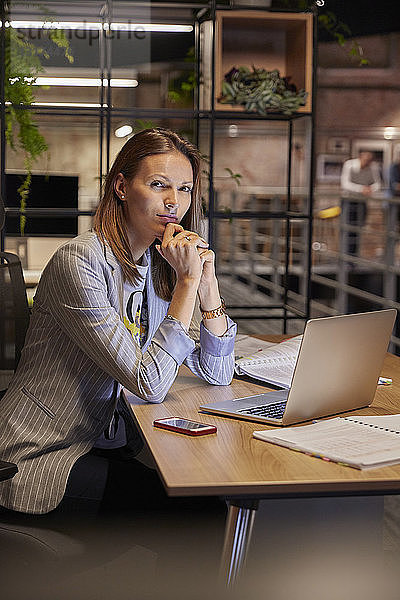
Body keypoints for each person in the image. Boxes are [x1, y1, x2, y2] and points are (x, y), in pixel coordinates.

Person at [0, 128, 237, 515]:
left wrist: (207, 288)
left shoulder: (158, 265)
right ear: (122, 187)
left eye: (185, 189)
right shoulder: (78, 262)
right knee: (200, 510)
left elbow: (218, 372)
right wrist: (187, 285)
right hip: (44, 454)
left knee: (207, 489)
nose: (173, 202)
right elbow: (150, 384)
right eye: (158, 185)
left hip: (107, 440)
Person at [340, 150, 381, 256]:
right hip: (348, 201)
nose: (367, 162)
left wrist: (369, 189)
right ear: (360, 157)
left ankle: (354, 257)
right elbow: (345, 184)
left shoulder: (373, 167)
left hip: (362, 201)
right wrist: (361, 189)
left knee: (358, 228)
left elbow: (377, 184)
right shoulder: (349, 165)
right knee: (347, 228)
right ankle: (345, 257)